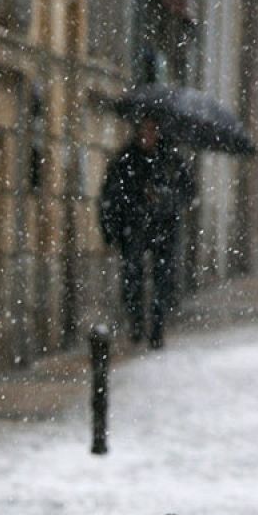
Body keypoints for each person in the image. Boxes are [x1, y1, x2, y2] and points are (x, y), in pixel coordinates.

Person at [98, 117, 197, 349]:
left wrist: (164, 198)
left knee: (162, 279)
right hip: (134, 229)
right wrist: (111, 229)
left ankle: (157, 327)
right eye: (144, 129)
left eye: (153, 129)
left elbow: (187, 191)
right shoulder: (126, 159)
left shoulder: (170, 159)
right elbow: (111, 195)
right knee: (132, 277)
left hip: (164, 228)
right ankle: (136, 322)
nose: (148, 135)